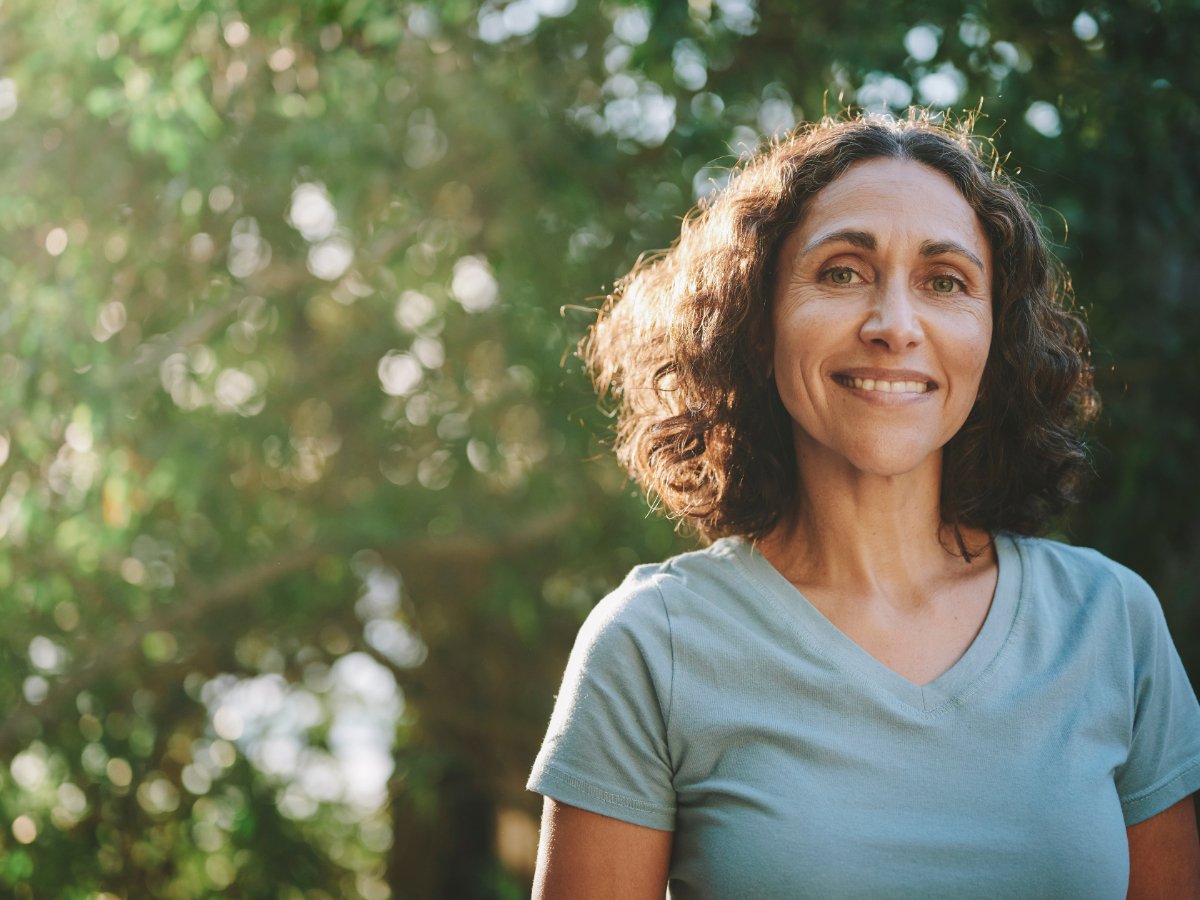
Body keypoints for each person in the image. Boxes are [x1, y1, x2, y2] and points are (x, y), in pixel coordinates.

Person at [526, 114, 1200, 898]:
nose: (894, 327)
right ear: (757, 315)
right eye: (843, 271)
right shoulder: (653, 643)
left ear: (995, 336)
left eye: (945, 282)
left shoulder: (1111, 623)